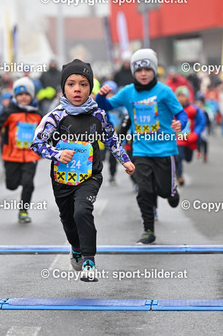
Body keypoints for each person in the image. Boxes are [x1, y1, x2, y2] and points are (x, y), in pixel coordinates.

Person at [31, 59, 134, 282]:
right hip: (62, 179)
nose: (77, 89)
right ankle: (76, 248)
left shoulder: (98, 115)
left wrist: (124, 160)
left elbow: (111, 139)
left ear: (90, 88)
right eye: (71, 84)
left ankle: (89, 261)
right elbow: (37, 144)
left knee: (82, 211)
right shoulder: (55, 117)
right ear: (63, 88)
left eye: (83, 84)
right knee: (68, 219)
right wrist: (57, 154)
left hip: (90, 176)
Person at [97, 49, 187, 245]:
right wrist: (101, 96)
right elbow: (106, 106)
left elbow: (181, 113)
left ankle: (171, 191)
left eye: (147, 69)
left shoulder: (164, 91)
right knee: (143, 191)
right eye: (139, 70)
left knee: (164, 191)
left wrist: (181, 123)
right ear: (133, 72)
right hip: (141, 150)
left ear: (154, 70)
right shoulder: (128, 92)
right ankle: (148, 230)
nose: (143, 74)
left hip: (164, 149)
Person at [0, 77, 42, 223]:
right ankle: (14, 177)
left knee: (28, 184)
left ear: (32, 95)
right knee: (11, 185)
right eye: (20, 94)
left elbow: (46, 132)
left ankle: (23, 211)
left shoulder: (37, 114)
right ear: (15, 96)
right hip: (11, 155)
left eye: (27, 94)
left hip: (31, 156)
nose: (23, 97)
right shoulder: (9, 113)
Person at [175, 86, 206, 185]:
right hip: (178, 138)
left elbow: (201, 122)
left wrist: (196, 133)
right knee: (178, 156)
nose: (181, 98)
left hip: (190, 138)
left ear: (187, 97)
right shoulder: (173, 109)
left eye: (183, 96)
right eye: (179, 96)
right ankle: (179, 175)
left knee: (188, 158)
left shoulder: (194, 109)